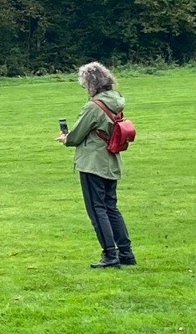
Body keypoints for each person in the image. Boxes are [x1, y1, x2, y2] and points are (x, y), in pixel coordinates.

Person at [56, 61, 136, 268]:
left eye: (84, 83)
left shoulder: (93, 106)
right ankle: (126, 253)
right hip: (111, 161)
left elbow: (75, 136)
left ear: (91, 83)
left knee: (97, 209)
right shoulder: (116, 101)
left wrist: (65, 138)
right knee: (111, 207)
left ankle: (110, 255)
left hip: (93, 163)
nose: (83, 87)